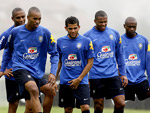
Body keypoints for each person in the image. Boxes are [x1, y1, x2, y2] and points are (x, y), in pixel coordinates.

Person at [0, 7, 58, 113]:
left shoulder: (45, 32)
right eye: (34, 19)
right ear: (29, 18)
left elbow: (54, 53)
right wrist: (2, 69)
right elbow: (7, 52)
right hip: (18, 69)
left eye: (39, 19)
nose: (37, 21)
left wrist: (53, 73)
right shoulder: (13, 32)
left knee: (49, 91)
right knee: (28, 93)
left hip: (35, 72)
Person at [84, 10, 128, 113]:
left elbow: (120, 55)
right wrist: (86, 77)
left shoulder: (115, 34)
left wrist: (123, 74)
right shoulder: (87, 36)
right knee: (98, 106)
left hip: (112, 75)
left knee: (121, 103)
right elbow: (84, 59)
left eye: (105, 21)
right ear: (95, 21)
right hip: (96, 76)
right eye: (100, 22)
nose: (103, 24)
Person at [56, 16, 94, 113]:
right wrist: (54, 77)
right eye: (70, 28)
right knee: (68, 109)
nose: (73, 31)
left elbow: (90, 62)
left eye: (75, 28)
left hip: (81, 81)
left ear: (79, 27)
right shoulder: (60, 41)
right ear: (65, 28)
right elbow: (59, 61)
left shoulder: (86, 41)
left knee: (85, 107)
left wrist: (79, 79)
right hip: (66, 81)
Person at [121, 17, 150, 102]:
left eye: (134, 26)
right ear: (124, 26)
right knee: (120, 104)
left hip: (140, 79)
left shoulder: (144, 40)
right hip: (125, 80)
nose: (132, 29)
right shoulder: (119, 40)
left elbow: (148, 62)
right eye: (129, 26)